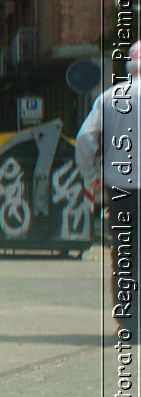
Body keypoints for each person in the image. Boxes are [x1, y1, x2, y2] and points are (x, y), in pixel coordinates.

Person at [75, 41, 140, 336]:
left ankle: (128, 321)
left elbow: (85, 139)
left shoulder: (109, 98)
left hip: (120, 188)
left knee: (124, 253)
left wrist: (92, 174)